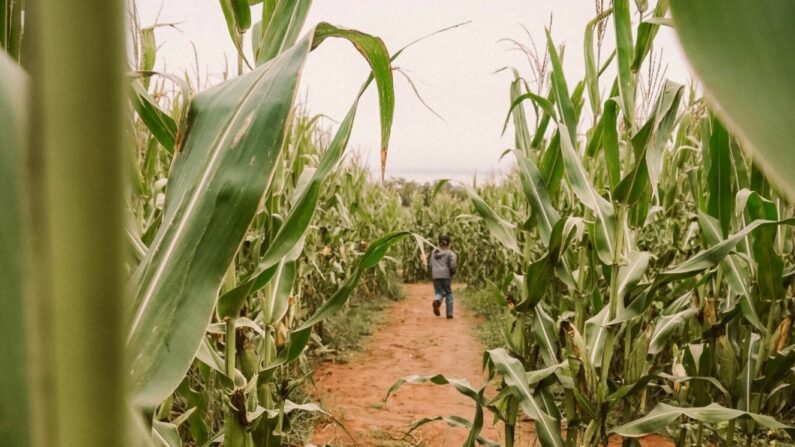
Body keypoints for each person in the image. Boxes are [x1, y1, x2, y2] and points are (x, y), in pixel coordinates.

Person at [430, 234, 458, 319]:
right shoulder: (450, 253)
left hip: (436, 276)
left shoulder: (434, 252)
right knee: (448, 293)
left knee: (439, 292)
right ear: (449, 243)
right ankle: (449, 313)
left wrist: (433, 272)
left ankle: (437, 300)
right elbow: (453, 265)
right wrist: (452, 272)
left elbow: (431, 264)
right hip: (446, 276)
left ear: (438, 242)